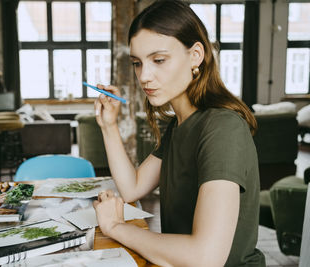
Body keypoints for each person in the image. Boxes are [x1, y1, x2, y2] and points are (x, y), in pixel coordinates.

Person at [92, 0, 266, 266]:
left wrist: (116, 227)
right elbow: (132, 188)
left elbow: (205, 258)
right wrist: (109, 126)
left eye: (159, 60)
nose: (144, 76)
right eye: (137, 63)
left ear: (195, 55)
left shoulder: (222, 128)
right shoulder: (180, 125)